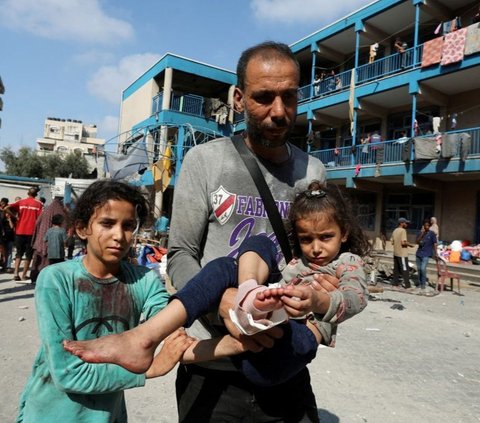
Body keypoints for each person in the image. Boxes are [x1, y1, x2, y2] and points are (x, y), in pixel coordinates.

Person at [63, 181, 370, 388]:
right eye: (306, 239)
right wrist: (265, 294)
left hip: (295, 343)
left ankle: (243, 311)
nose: (315, 248)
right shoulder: (296, 264)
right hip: (268, 330)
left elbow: (356, 299)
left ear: (343, 234)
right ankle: (148, 336)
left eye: (325, 238)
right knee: (238, 256)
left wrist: (317, 301)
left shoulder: (348, 263)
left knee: (276, 337)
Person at [168, 41, 332, 422]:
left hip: (283, 366)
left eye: (289, 97)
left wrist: (319, 321)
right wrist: (220, 300)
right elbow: (180, 254)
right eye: (264, 97)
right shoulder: (204, 161)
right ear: (239, 99)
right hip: (214, 368)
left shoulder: (314, 173)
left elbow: (323, 263)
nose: (279, 111)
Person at [16, 179, 189, 423]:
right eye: (107, 224)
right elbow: (67, 374)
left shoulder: (144, 281)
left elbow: (177, 338)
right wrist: (149, 369)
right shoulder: (56, 279)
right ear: (81, 229)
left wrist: (237, 344)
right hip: (51, 413)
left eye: (128, 225)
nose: (119, 235)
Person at [4, 187, 43, 281]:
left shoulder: (21, 202)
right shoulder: (39, 204)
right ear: (36, 195)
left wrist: (16, 217)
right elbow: (40, 218)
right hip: (31, 232)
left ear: (27, 193)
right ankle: (24, 275)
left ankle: (16, 274)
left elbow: (6, 208)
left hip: (20, 231)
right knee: (29, 255)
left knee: (18, 253)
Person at [30, 195, 69, 282]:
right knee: (57, 266)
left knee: (43, 262)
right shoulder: (60, 212)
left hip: (44, 244)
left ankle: (37, 277)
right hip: (59, 251)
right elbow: (65, 239)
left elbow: (37, 223)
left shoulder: (46, 210)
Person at [391, 217, 415, 290]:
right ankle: (407, 286)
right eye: (405, 223)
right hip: (402, 254)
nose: (406, 224)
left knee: (396, 270)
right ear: (401, 223)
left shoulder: (395, 230)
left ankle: (395, 285)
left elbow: (392, 241)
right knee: (405, 269)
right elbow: (403, 242)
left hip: (396, 253)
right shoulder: (403, 231)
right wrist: (410, 245)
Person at [415, 219, 438, 293]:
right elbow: (417, 241)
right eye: (425, 226)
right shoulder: (421, 233)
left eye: (428, 225)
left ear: (430, 226)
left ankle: (423, 284)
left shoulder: (432, 234)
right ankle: (419, 283)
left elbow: (435, 244)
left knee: (422, 269)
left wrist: (436, 253)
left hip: (427, 254)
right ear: (423, 226)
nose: (426, 227)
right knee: (418, 269)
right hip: (419, 253)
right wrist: (422, 234)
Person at [0, 197, 15, 271]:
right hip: (2, 235)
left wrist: (9, 219)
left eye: (3, 203)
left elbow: (12, 227)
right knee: (3, 251)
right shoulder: (0, 213)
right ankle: (3, 265)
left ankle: (8, 266)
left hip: (10, 235)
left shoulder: (11, 215)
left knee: (9, 250)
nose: (2, 204)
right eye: (1, 203)